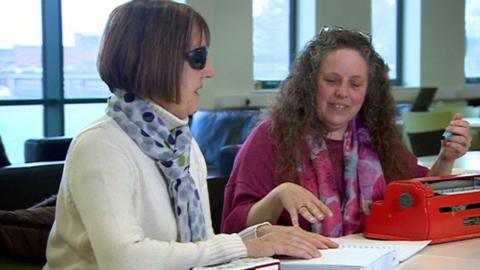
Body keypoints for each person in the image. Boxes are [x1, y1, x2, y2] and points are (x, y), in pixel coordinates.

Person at [43, 1, 337, 269]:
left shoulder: (181, 144)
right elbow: (125, 259)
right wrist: (244, 245)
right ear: (157, 61)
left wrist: (261, 234)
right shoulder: (101, 146)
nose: (209, 71)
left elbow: (198, 247)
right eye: (198, 57)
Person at [221, 27, 472, 237]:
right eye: (331, 80)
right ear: (309, 83)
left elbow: (420, 198)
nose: (343, 92)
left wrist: (446, 158)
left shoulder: (376, 138)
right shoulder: (271, 137)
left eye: (355, 84)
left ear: (368, 90)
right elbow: (234, 229)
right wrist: (277, 197)